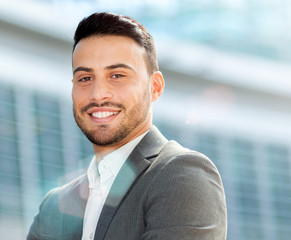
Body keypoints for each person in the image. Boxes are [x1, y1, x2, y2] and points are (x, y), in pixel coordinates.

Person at [27, 12, 227, 240]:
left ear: (155, 87)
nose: (98, 94)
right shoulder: (53, 206)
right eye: (85, 78)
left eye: (117, 75)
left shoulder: (182, 175)